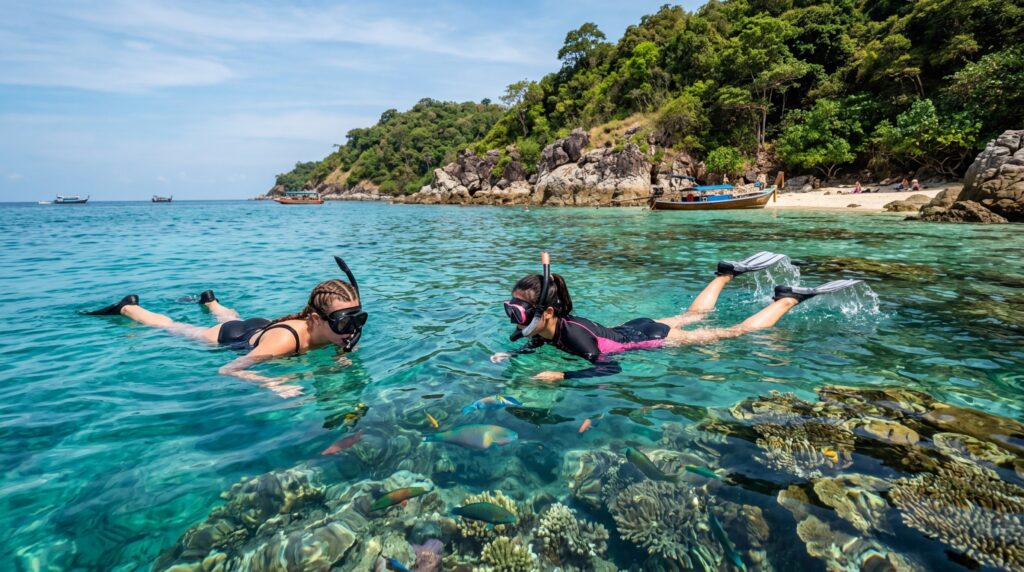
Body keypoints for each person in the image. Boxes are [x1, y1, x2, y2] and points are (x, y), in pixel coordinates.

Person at [493, 252, 861, 381]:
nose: (515, 318)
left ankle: (788, 300)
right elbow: (537, 344)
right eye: (512, 309)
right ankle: (725, 274)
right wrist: (514, 354)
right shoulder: (548, 329)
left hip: (650, 338)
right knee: (692, 314)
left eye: (520, 311)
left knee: (732, 333)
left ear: (548, 312)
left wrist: (564, 374)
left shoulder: (572, 337)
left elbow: (608, 368)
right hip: (635, 325)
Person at [83, 257, 367, 397]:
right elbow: (228, 369)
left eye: (357, 318)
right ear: (316, 319)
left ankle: (212, 302)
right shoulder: (283, 344)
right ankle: (128, 307)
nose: (352, 327)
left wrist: (342, 354)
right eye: (344, 321)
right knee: (175, 327)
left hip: (262, 326)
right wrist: (271, 382)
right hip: (237, 337)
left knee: (231, 315)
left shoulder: (336, 333)